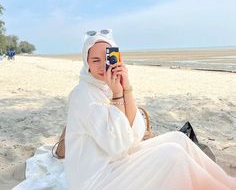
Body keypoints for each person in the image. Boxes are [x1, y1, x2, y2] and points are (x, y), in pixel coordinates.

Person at [65, 29, 236, 190]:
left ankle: (227, 183)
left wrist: (126, 88)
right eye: (95, 60)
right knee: (172, 154)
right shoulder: (83, 95)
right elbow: (118, 145)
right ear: (86, 63)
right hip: (96, 178)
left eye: (108, 58)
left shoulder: (105, 86)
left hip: (114, 160)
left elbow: (133, 135)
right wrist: (117, 94)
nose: (103, 65)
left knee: (179, 138)